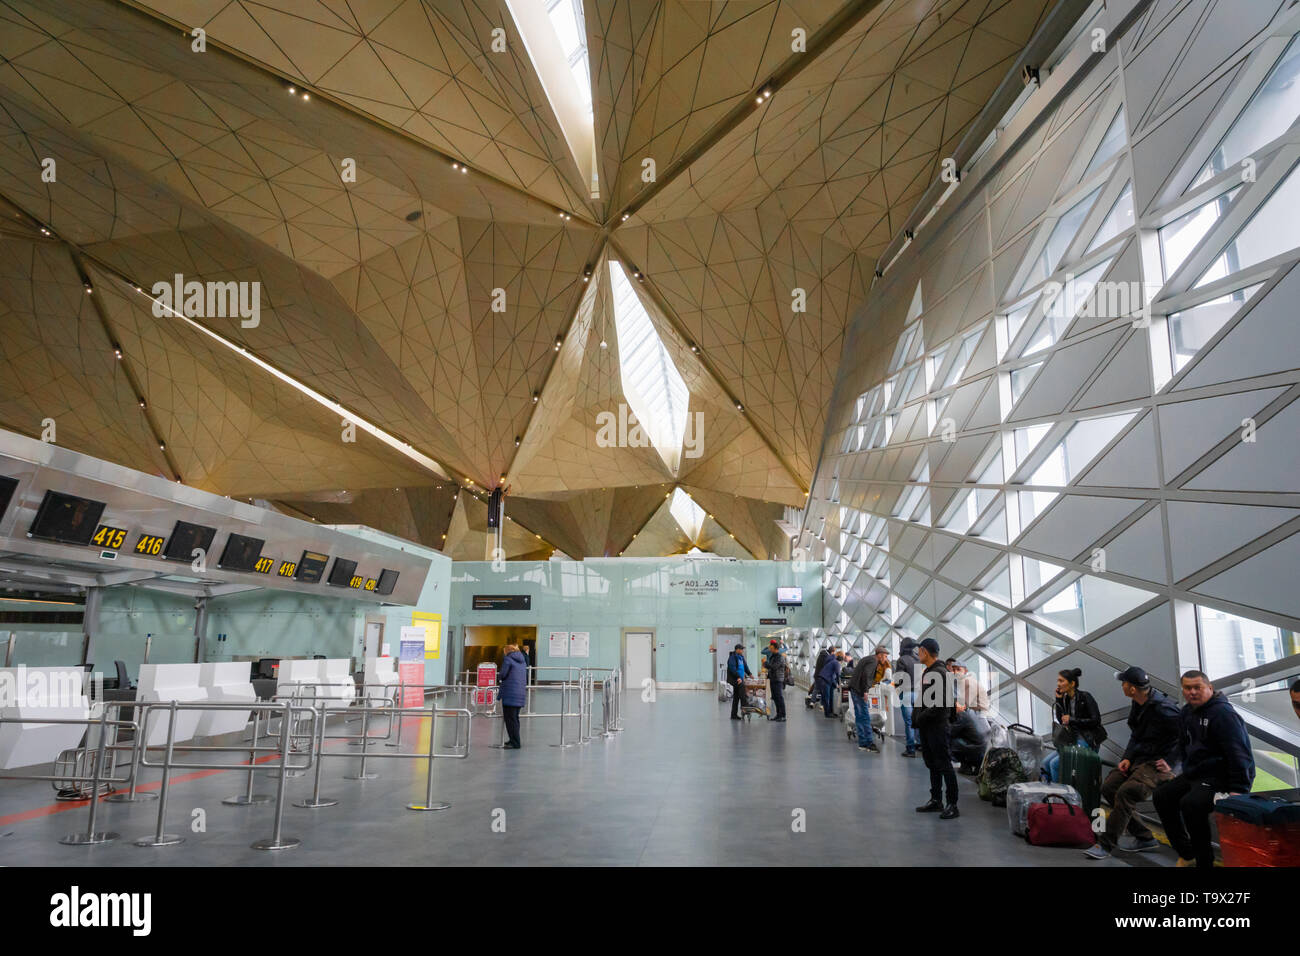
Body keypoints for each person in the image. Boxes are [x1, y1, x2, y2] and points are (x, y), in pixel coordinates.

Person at [1153, 670, 1255, 868]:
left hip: (1221, 776)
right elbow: (1182, 744)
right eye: (1187, 688)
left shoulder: (1223, 715)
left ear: (1209, 687)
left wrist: (1239, 789)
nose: (1192, 692)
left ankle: (1204, 862)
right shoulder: (1186, 712)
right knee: (1162, 796)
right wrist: (1175, 765)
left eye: (1197, 687)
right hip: (1197, 773)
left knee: (1191, 804)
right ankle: (1187, 853)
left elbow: (1239, 754)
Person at [1084, 666, 1180, 859]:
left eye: (1124, 683)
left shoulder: (1164, 709)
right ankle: (1145, 837)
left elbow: (1188, 735)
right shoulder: (1138, 703)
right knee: (1109, 788)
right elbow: (1136, 735)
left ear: (1133, 688)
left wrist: (1170, 762)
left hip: (1159, 765)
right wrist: (1127, 757)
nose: (1122, 686)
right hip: (1140, 759)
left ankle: (1106, 844)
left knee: (1126, 792)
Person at [914, 637, 959, 819]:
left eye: (919, 651)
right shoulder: (930, 671)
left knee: (943, 764)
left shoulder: (939, 672)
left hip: (937, 726)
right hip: (929, 726)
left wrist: (921, 717)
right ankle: (936, 799)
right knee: (932, 764)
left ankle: (952, 804)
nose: (918, 654)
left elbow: (941, 704)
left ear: (924, 651)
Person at [1043, 667, 1104, 782]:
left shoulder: (1085, 697)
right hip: (1073, 739)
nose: (1058, 684)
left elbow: (1096, 720)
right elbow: (1062, 721)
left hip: (1087, 739)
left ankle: (1060, 796)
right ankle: (1048, 792)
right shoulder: (1066, 699)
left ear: (1072, 683)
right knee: (1045, 763)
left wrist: (1072, 720)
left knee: (1055, 764)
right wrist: (1059, 699)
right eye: (1058, 681)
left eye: (1061, 681)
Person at [846, 643, 880, 752]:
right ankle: (869, 742)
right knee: (865, 716)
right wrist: (865, 691)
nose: (886, 658)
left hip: (854, 688)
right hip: (859, 690)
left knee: (860, 716)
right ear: (879, 655)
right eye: (885, 656)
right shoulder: (873, 661)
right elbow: (866, 674)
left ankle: (863, 743)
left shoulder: (867, 659)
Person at [894, 638, 921, 757]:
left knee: (909, 722)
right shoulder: (918, 659)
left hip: (906, 693)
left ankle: (910, 749)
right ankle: (920, 743)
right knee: (918, 720)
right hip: (917, 693)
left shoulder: (902, 660)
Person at [499, 643, 528, 749]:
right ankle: (514, 740)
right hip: (519, 692)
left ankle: (515, 743)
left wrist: (499, 677)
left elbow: (503, 674)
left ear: (507, 651)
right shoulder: (522, 661)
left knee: (510, 719)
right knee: (515, 718)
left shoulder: (508, 659)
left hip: (510, 693)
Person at [764, 645, 789, 722]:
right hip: (773, 679)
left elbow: (774, 667)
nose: (770, 650)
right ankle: (778, 715)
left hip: (778, 679)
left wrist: (765, 663)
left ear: (776, 649)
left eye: (771, 648)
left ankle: (783, 715)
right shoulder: (773, 656)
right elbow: (771, 667)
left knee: (779, 697)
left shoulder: (780, 657)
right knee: (775, 697)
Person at [726, 643, 751, 720]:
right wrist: (738, 677)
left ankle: (734, 715)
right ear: (737, 650)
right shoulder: (732, 657)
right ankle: (745, 705)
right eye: (741, 649)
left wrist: (750, 673)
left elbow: (745, 666)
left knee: (736, 697)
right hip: (734, 679)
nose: (742, 650)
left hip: (740, 678)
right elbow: (732, 668)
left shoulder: (741, 657)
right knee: (742, 687)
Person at [818, 651, 844, 718]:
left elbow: (832, 675)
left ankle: (830, 712)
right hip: (825, 680)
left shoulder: (833, 662)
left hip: (824, 679)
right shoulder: (837, 663)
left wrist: (836, 684)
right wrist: (839, 684)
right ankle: (827, 714)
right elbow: (838, 675)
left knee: (829, 697)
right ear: (841, 661)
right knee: (827, 697)